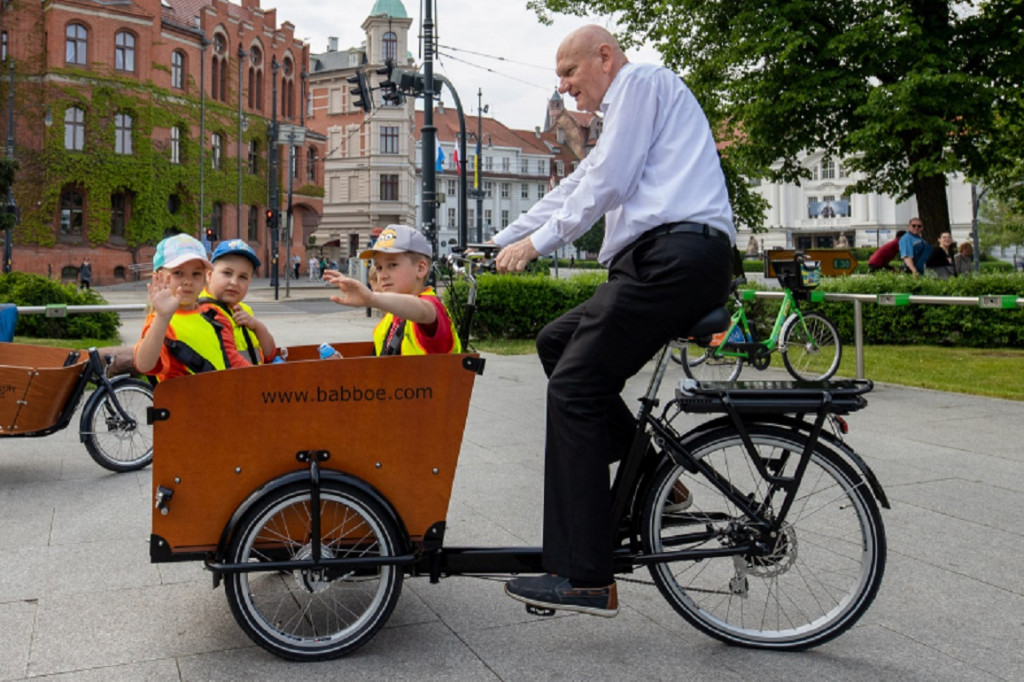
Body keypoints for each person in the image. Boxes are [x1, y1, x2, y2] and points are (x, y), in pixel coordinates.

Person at [491, 25, 735, 617]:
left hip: (675, 256)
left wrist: (539, 245)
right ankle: (655, 478)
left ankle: (585, 576)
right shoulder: (624, 113)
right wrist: (498, 240)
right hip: (653, 262)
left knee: (576, 387)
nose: (565, 87)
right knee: (556, 342)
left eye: (569, 73)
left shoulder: (642, 83)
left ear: (605, 57)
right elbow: (577, 183)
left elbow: (608, 182)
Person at [322, 224, 462, 356]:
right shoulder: (392, 315)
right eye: (379, 267)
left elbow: (423, 310)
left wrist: (372, 298)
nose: (382, 275)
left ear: (420, 269)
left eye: (392, 265)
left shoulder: (431, 306)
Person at [134, 234, 252, 383]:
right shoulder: (162, 323)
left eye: (196, 273)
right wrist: (162, 317)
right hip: (184, 405)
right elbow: (144, 364)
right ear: (158, 277)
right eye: (178, 273)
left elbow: (230, 361)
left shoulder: (213, 316)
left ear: (204, 278)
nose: (188, 281)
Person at [199, 238, 277, 364]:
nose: (234, 282)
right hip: (238, 381)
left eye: (243, 277)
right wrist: (261, 378)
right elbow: (230, 360)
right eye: (227, 273)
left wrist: (257, 327)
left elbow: (270, 354)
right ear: (209, 275)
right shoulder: (205, 311)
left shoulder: (244, 310)